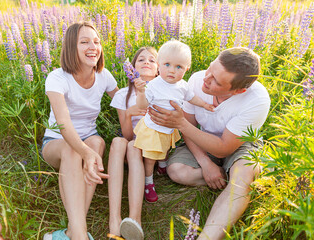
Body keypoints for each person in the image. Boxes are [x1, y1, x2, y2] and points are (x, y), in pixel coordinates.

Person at [148, 47, 270, 240]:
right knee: (176, 171)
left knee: (246, 172)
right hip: (201, 138)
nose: (206, 78)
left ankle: (208, 235)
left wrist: (179, 124)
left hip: (238, 144)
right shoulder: (197, 80)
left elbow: (223, 148)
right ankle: (233, 185)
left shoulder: (257, 100)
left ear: (239, 90)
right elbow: (189, 125)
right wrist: (205, 162)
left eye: (216, 81)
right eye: (210, 69)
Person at [41, 22, 118, 240]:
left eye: (96, 41)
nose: (92, 46)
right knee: (74, 150)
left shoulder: (104, 76)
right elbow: (63, 123)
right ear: (70, 48)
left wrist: (142, 92)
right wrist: (84, 152)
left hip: (88, 139)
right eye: (84, 42)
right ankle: (81, 236)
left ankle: (72, 233)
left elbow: (124, 102)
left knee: (97, 143)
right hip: (56, 143)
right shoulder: (57, 77)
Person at [133, 40, 214, 203]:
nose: (172, 71)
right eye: (167, 64)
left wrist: (205, 104)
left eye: (179, 67)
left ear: (187, 68)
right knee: (150, 157)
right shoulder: (154, 85)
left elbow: (191, 98)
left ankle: (162, 166)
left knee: (166, 148)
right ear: (159, 65)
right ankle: (148, 182)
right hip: (153, 128)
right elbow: (142, 106)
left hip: (169, 127)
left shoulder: (183, 85)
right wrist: (141, 92)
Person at [107, 47, 159, 240]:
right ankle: (115, 219)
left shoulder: (161, 92)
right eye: (141, 60)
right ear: (133, 68)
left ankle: (134, 219)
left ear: (158, 69)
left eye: (152, 60)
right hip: (133, 147)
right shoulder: (123, 95)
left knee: (132, 145)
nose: (146, 62)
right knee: (120, 142)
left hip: (155, 149)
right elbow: (128, 135)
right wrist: (129, 113)